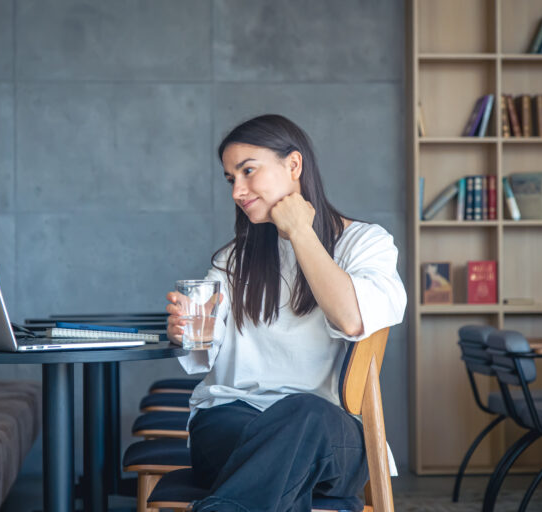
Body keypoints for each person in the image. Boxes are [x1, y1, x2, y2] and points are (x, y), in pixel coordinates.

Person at [165, 114, 406, 512]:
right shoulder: (233, 259)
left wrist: (300, 233)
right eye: (230, 179)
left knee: (302, 415)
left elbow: (352, 318)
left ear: (293, 165)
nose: (237, 191)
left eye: (247, 171)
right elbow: (203, 350)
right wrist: (189, 329)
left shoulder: (366, 244)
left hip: (329, 432)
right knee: (278, 470)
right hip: (231, 422)